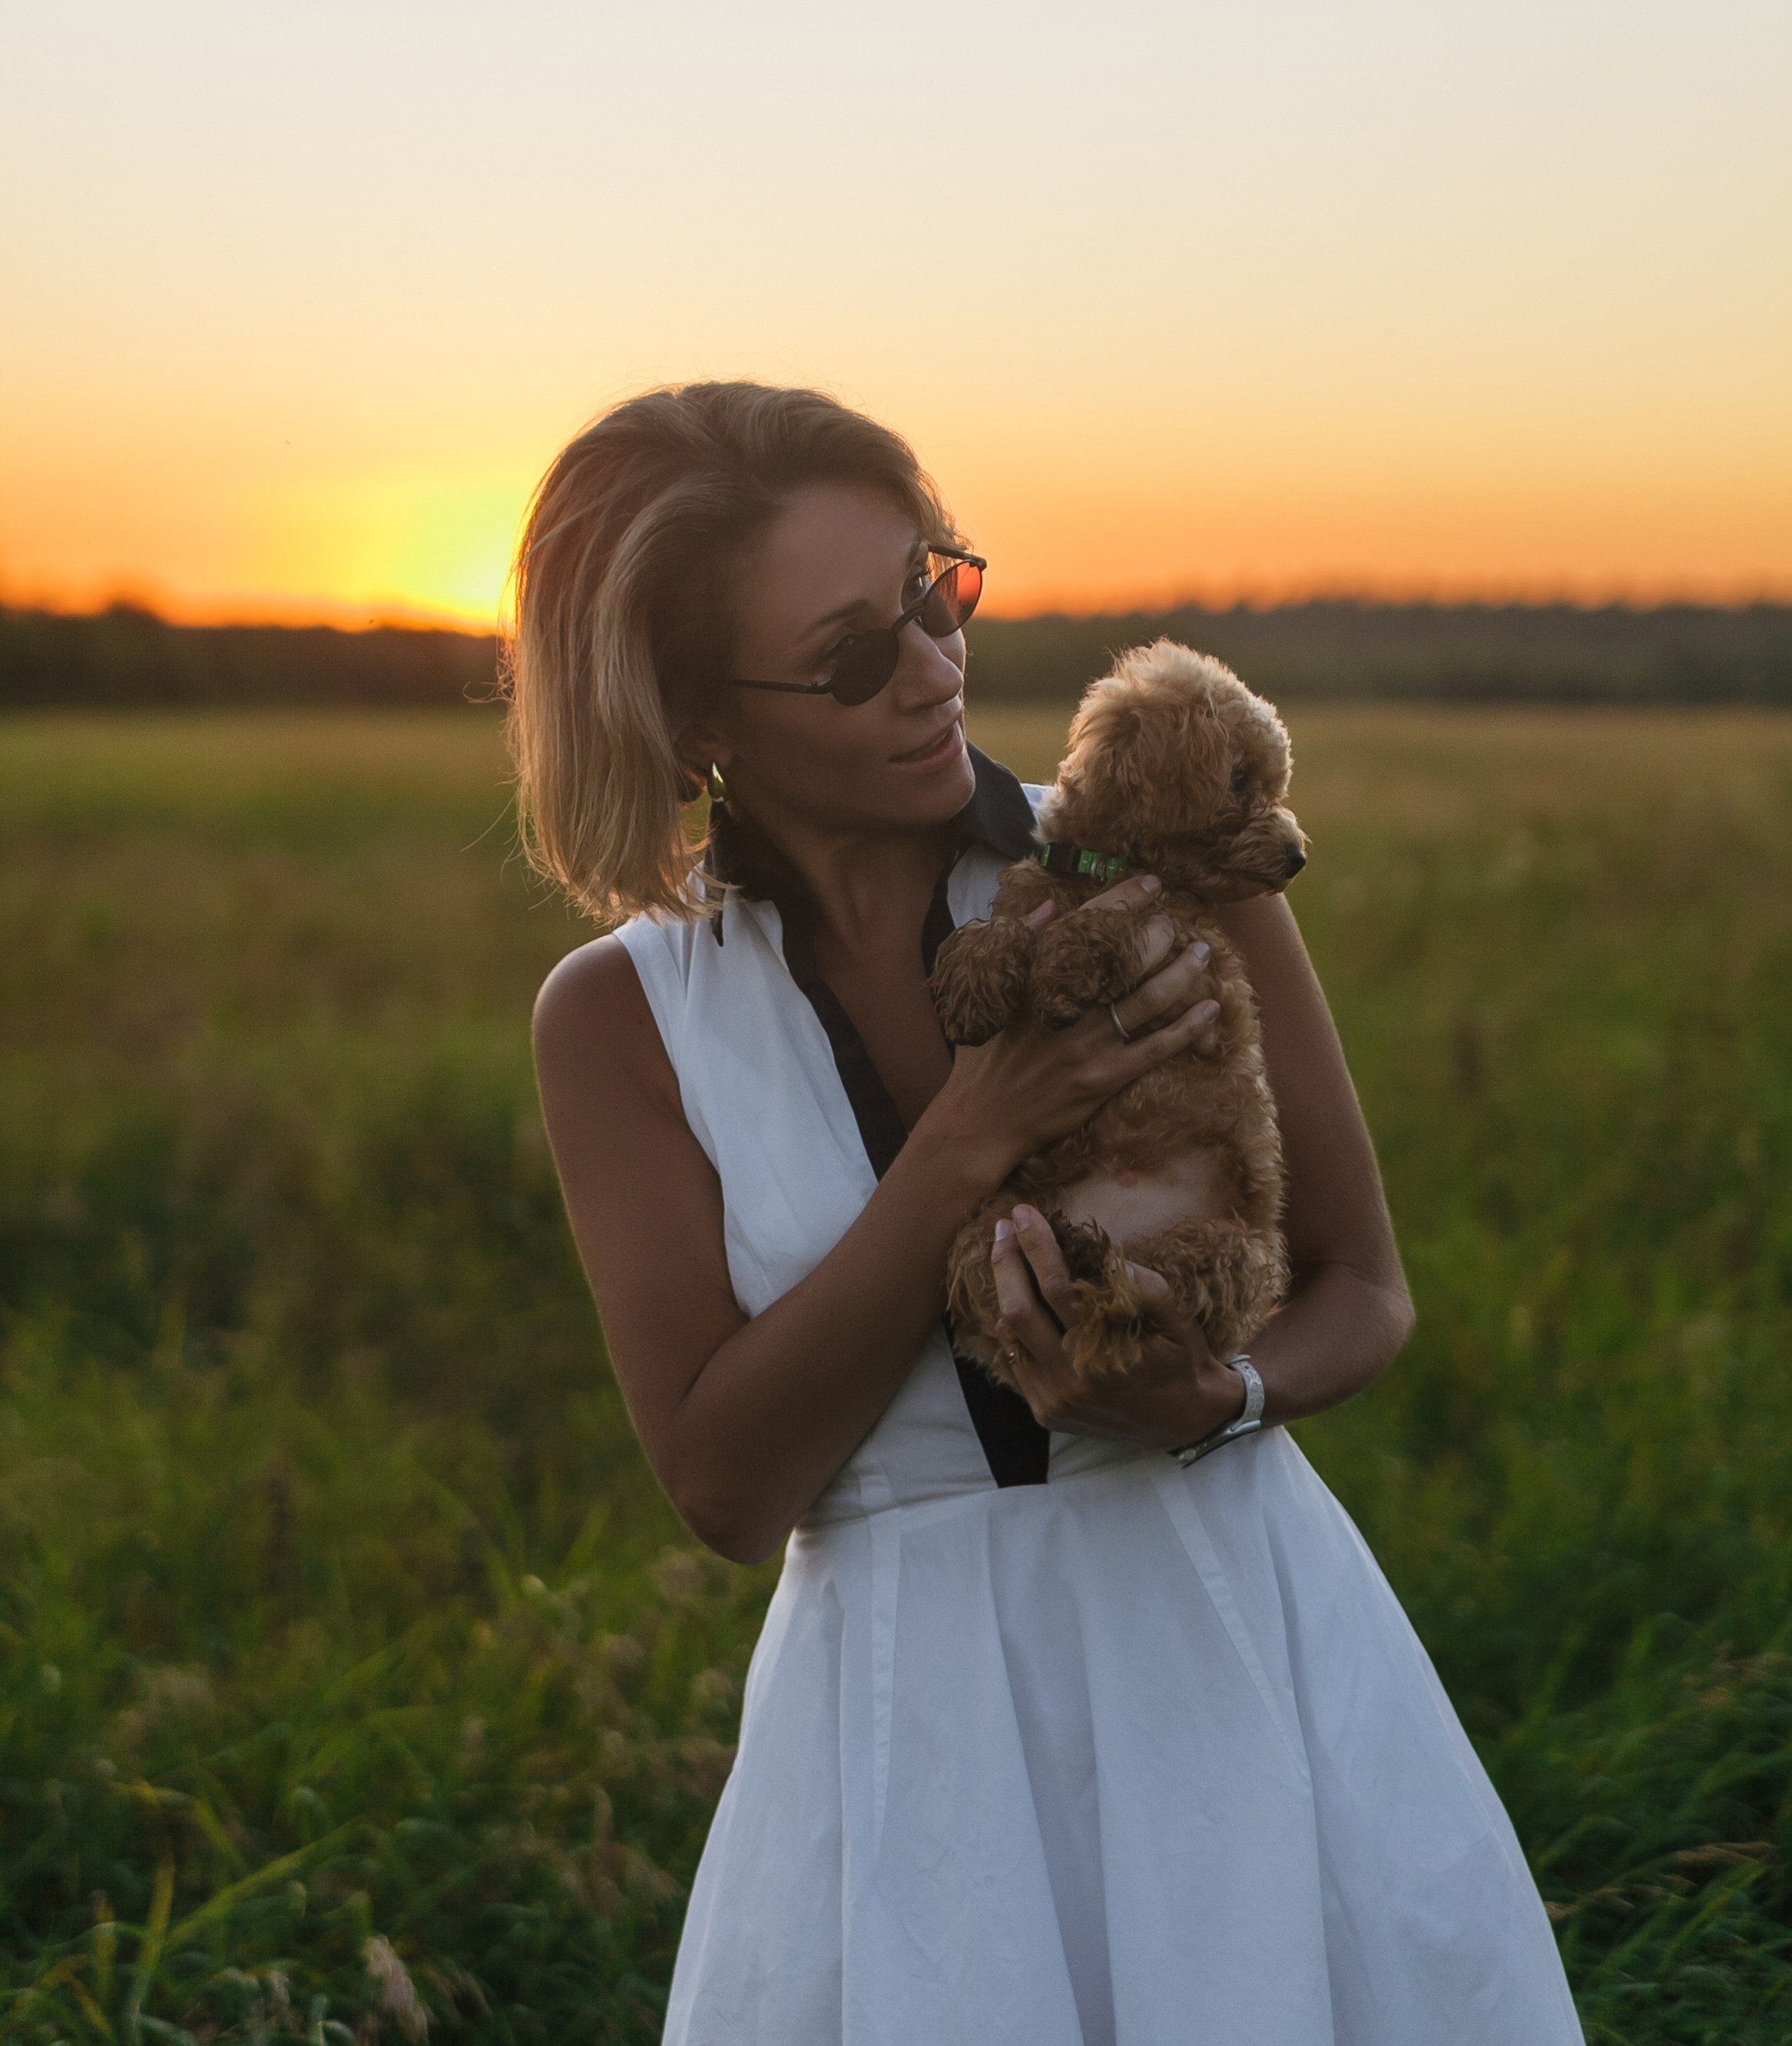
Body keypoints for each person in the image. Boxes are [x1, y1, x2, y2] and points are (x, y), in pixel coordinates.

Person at [518, 382, 1582, 2046]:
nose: (937, 669)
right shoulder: (623, 1017)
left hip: (1234, 1650)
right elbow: (725, 1486)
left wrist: (1222, 1396)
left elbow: (1364, 1285)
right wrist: (968, 1140)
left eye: (936, 593)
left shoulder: (1168, 864)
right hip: (908, 1743)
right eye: (853, 653)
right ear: (688, 716)